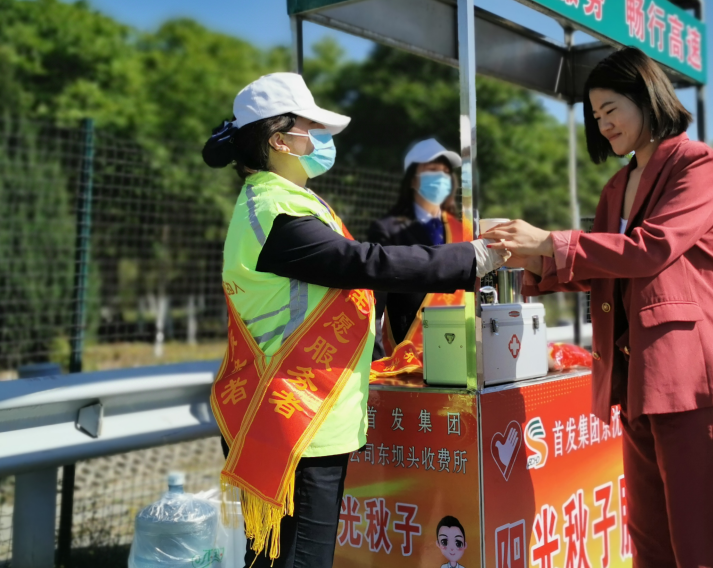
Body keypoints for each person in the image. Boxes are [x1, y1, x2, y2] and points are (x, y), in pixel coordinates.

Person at [201, 72, 506, 568]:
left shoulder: (284, 201)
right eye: (311, 128)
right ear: (279, 140)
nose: (321, 139)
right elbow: (367, 263)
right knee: (301, 559)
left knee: (283, 558)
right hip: (295, 418)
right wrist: (473, 258)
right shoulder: (276, 212)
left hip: (301, 411)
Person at [484, 47, 713, 568]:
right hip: (635, 384)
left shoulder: (695, 163)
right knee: (650, 545)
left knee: (706, 550)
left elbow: (650, 249)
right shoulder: (617, 185)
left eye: (611, 109)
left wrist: (550, 243)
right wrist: (531, 260)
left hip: (693, 383)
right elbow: (606, 269)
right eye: (596, 115)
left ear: (647, 99)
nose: (603, 124)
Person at [368, 138, 464, 361]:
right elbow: (374, 306)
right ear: (412, 180)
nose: (441, 178)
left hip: (459, 346)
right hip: (407, 355)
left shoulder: (462, 230)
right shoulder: (388, 230)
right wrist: (376, 359)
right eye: (432, 170)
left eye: (445, 172)